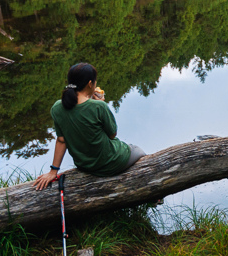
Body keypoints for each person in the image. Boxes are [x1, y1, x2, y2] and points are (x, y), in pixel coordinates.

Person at [32, 62, 145, 191]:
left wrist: (53, 171)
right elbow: (112, 134)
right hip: (111, 161)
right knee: (138, 151)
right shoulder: (99, 107)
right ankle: (155, 196)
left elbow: (61, 140)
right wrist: (101, 104)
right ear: (90, 84)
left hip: (85, 165)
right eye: (95, 82)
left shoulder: (57, 107)